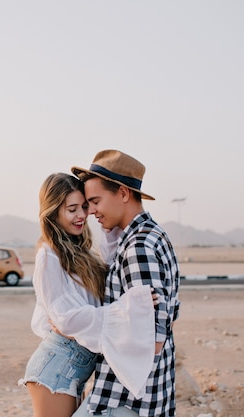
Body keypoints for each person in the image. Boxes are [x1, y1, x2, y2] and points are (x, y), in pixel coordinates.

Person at [19, 173, 157, 417]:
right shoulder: (48, 256)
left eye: (84, 207)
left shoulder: (78, 250)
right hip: (56, 368)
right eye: (72, 209)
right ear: (52, 212)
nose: (82, 215)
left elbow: (110, 270)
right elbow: (65, 319)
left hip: (74, 368)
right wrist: (127, 310)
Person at [69, 149, 181, 417]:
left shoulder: (138, 247)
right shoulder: (153, 235)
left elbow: (150, 340)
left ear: (122, 193)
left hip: (126, 401)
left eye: (95, 200)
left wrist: (76, 322)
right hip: (142, 395)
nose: (91, 211)